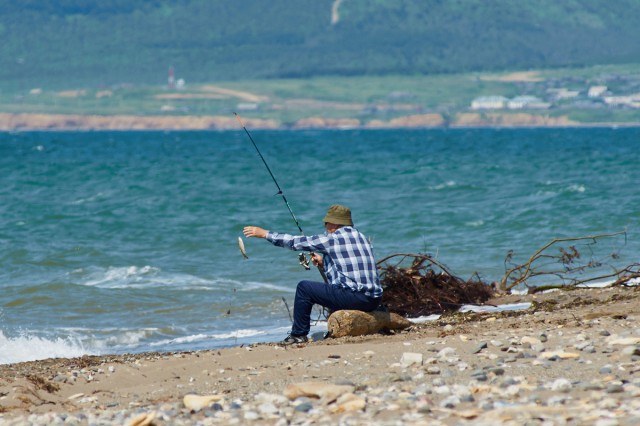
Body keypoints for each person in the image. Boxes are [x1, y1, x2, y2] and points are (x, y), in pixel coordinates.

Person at [243, 204, 383, 344]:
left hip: (355, 298)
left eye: (326, 223)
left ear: (333, 224)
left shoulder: (332, 239)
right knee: (335, 289)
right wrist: (324, 263)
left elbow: (294, 242)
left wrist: (265, 234)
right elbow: (350, 267)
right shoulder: (362, 238)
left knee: (304, 288)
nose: (325, 227)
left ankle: (299, 334)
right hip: (373, 300)